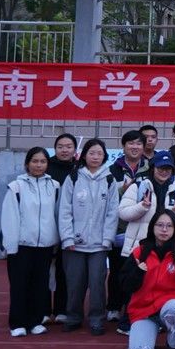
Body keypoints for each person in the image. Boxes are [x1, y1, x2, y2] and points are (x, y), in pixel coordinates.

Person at [58, 138, 120, 336]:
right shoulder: (73, 177)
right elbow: (64, 209)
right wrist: (67, 237)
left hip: (99, 245)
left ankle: (96, 319)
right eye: (91, 153)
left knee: (97, 284)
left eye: (99, 153)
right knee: (75, 283)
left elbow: (113, 212)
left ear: (104, 157)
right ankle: (73, 317)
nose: (95, 157)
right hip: (75, 243)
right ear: (84, 155)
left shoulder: (109, 180)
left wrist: (107, 239)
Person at [118, 151, 175, 333]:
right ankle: (127, 323)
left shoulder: (173, 190)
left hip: (161, 246)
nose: (164, 171)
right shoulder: (138, 186)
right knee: (134, 284)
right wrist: (142, 207)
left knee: (154, 284)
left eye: (168, 168)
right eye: (161, 168)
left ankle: (151, 320)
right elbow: (123, 213)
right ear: (153, 167)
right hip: (139, 245)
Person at [121, 209, 175, 349]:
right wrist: (138, 272)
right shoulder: (139, 252)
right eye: (160, 225)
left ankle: (173, 338)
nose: (164, 229)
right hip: (144, 310)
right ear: (152, 227)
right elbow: (125, 285)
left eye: (169, 226)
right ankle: (149, 332)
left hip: (170, 307)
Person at [1, 147, 60, 337]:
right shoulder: (16, 187)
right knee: (20, 285)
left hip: (45, 246)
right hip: (21, 246)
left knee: (40, 285)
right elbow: (9, 218)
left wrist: (56, 242)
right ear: (27, 164)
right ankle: (17, 323)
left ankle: (35, 321)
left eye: (43, 161)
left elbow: (57, 215)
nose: (39, 165)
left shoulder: (54, 186)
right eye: (35, 161)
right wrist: (11, 246)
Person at [107, 130, 150, 326]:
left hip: (142, 229)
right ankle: (114, 307)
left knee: (138, 270)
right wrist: (122, 190)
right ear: (123, 146)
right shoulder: (112, 170)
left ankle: (134, 308)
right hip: (119, 228)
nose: (135, 147)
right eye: (131, 143)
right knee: (117, 268)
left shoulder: (150, 169)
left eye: (139, 143)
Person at [45, 133, 78, 325]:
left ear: (75, 149)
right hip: (47, 225)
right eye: (60, 146)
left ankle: (61, 309)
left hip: (69, 227)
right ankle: (42, 309)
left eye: (68, 146)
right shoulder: (45, 167)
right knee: (43, 270)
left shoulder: (79, 169)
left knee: (64, 270)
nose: (64, 150)